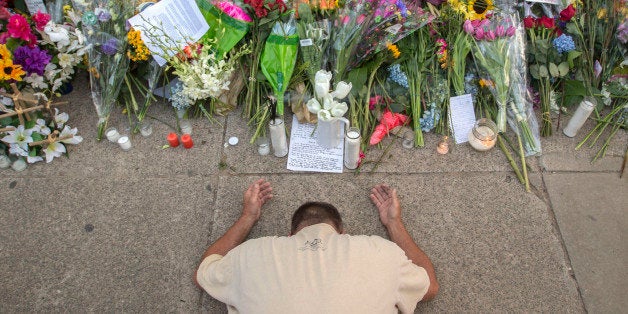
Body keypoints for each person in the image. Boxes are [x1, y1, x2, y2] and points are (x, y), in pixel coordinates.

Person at [195, 179, 439, 313]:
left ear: (290, 235)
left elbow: (205, 270)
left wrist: (247, 216)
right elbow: (429, 286)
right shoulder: (381, 252)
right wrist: (394, 223)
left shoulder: (251, 254)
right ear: (342, 233)